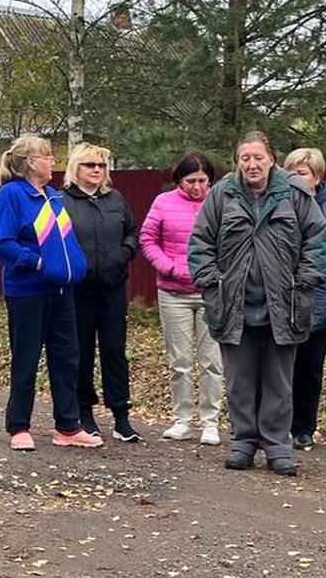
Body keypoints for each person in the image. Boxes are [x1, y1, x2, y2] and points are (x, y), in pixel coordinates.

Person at [188, 131, 326, 477]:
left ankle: (278, 447)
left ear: (271, 159)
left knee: (280, 381)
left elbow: (318, 240)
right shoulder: (222, 194)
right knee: (239, 380)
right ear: (237, 162)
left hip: (284, 304)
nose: (252, 164)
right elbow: (200, 241)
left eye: (258, 157)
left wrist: (305, 280)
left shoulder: (294, 194)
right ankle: (243, 443)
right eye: (245, 158)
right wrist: (211, 283)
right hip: (234, 304)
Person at [0, 134, 102, 451]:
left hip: (61, 290)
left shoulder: (52, 196)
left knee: (67, 358)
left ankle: (67, 425)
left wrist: (73, 266)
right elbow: (1, 242)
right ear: (29, 163)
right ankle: (19, 426)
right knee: (26, 357)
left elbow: (63, 244)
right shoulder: (12, 195)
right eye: (47, 157)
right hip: (27, 291)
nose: (53, 162)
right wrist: (36, 263)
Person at [140, 153, 224, 445]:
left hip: (211, 293)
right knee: (181, 361)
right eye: (191, 181)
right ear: (179, 180)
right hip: (173, 292)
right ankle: (183, 420)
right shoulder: (163, 202)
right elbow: (147, 238)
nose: (197, 187)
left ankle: (211, 422)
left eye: (202, 181)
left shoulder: (220, 201)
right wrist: (168, 266)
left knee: (213, 361)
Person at [61, 142, 140, 442]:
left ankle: (121, 416)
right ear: (75, 168)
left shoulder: (116, 199)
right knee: (80, 352)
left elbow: (132, 232)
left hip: (112, 288)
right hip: (77, 290)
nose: (96, 170)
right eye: (90, 165)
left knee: (114, 352)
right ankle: (85, 413)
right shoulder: (62, 201)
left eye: (102, 165)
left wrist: (123, 253)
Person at [284, 147, 326, 450]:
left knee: (311, 365)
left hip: (320, 291)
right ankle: (278, 425)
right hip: (287, 291)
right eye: (290, 173)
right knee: (283, 365)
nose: (293, 179)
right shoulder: (283, 201)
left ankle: (304, 427)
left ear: (317, 177)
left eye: (300, 174)